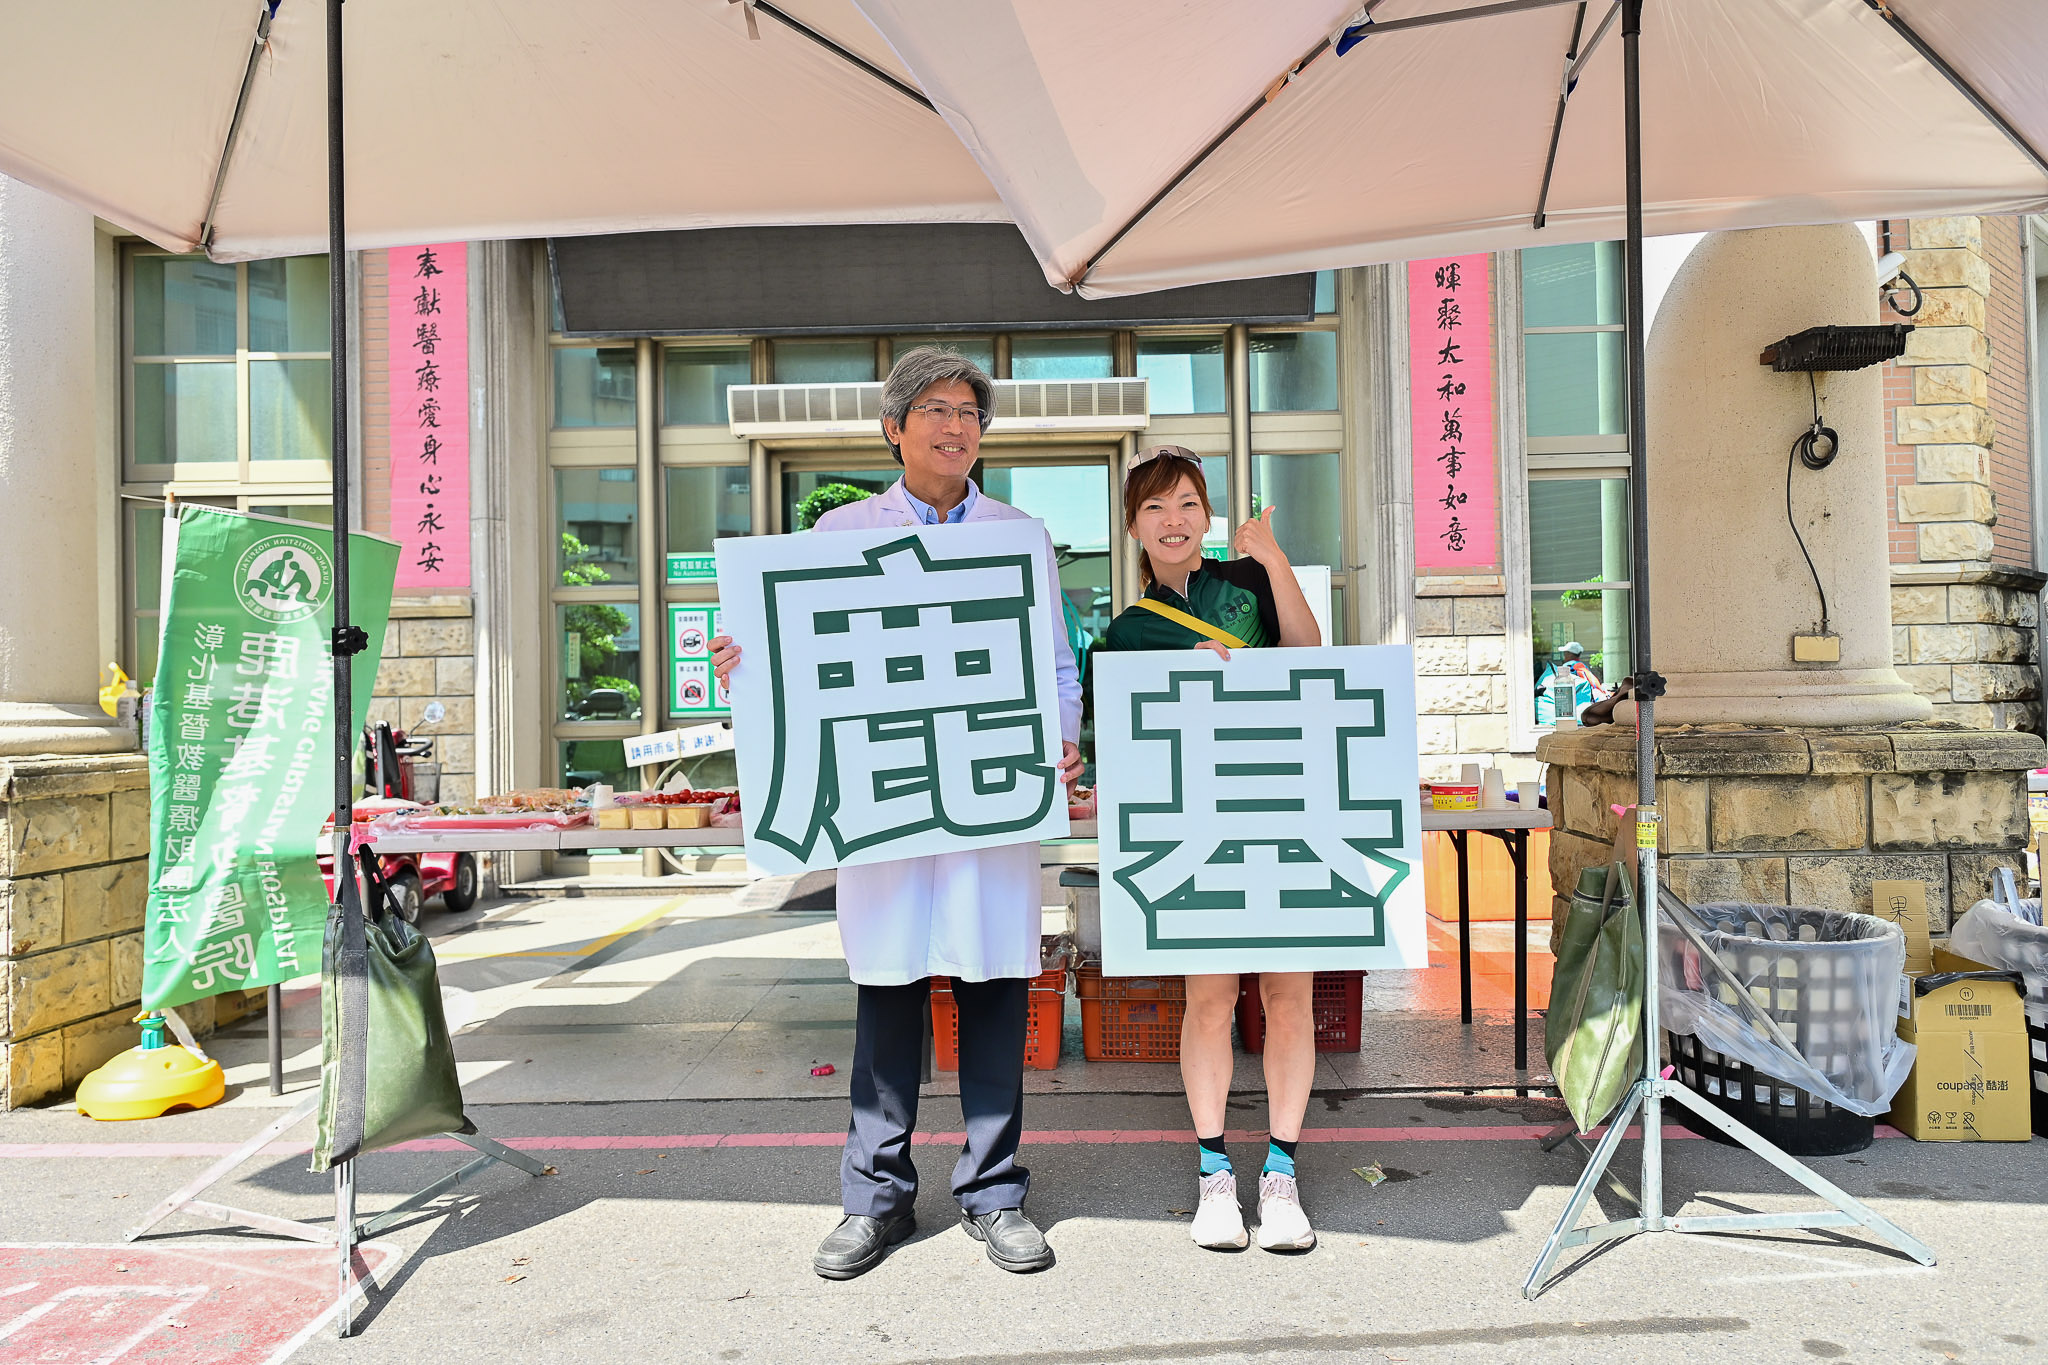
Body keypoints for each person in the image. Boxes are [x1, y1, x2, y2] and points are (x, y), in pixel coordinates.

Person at [711, 348, 1083, 1280]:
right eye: (937, 410)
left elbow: (1054, 664)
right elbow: (798, 650)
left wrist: (1061, 739)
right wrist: (744, 663)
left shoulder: (1019, 534)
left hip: (987, 796)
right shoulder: (840, 531)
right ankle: (875, 1197)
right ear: (894, 427)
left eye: (970, 413)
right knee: (888, 992)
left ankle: (994, 1191)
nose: (957, 427)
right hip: (889, 800)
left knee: (994, 988)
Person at [1097, 445, 1324, 1253]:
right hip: (1197, 826)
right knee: (1211, 999)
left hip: (1283, 810)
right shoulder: (1125, 633)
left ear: (1207, 515)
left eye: (1188, 502)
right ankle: (1215, 1175)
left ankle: (1283, 1173)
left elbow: (1309, 655)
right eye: (1155, 507)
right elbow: (1120, 745)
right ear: (1134, 526)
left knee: (1290, 996)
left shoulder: (1249, 582)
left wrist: (1275, 558)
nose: (1174, 520)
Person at [1534, 641, 1609, 724]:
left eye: (1565, 653)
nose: (1564, 655)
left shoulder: (1568, 667)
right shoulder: (1582, 666)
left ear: (1570, 654)